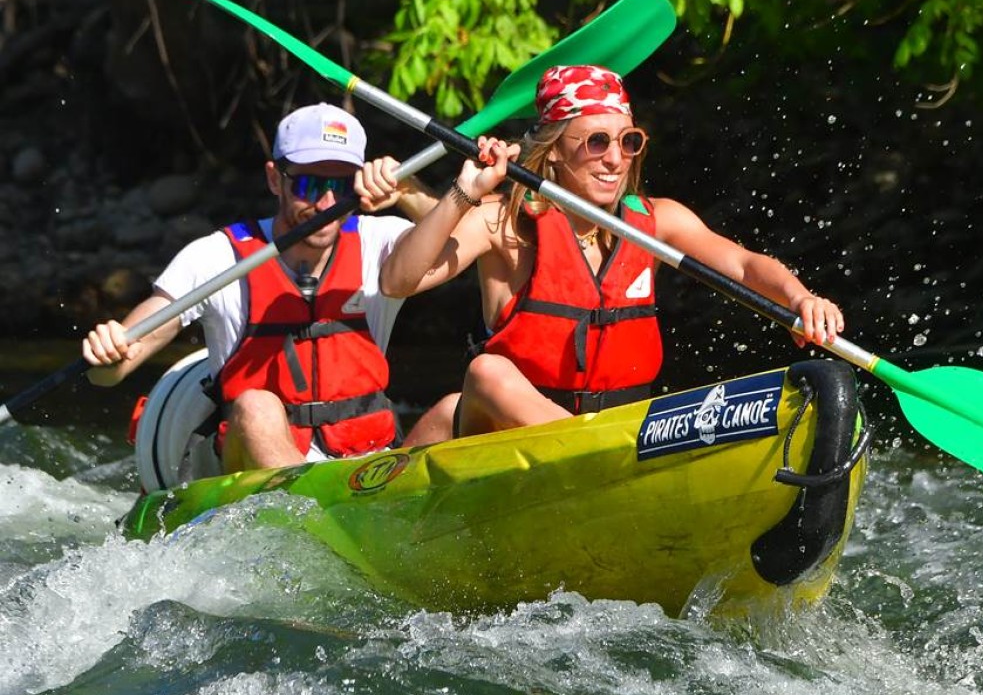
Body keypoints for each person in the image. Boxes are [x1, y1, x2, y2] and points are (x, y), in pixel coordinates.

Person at [377, 65, 845, 438]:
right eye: (596, 142)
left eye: (628, 141)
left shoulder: (657, 221)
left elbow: (743, 264)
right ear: (554, 150)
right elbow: (397, 281)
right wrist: (465, 191)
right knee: (486, 373)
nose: (616, 159)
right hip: (510, 437)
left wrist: (799, 298)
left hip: (620, 431)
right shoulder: (505, 221)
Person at [82, 102, 460, 472]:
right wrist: (109, 354)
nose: (327, 202)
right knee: (256, 407)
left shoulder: (381, 243)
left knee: (454, 409)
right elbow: (114, 368)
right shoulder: (217, 258)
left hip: (365, 461)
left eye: (342, 185)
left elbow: (466, 237)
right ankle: (303, 502)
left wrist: (408, 190)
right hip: (248, 463)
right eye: (310, 185)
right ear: (275, 179)